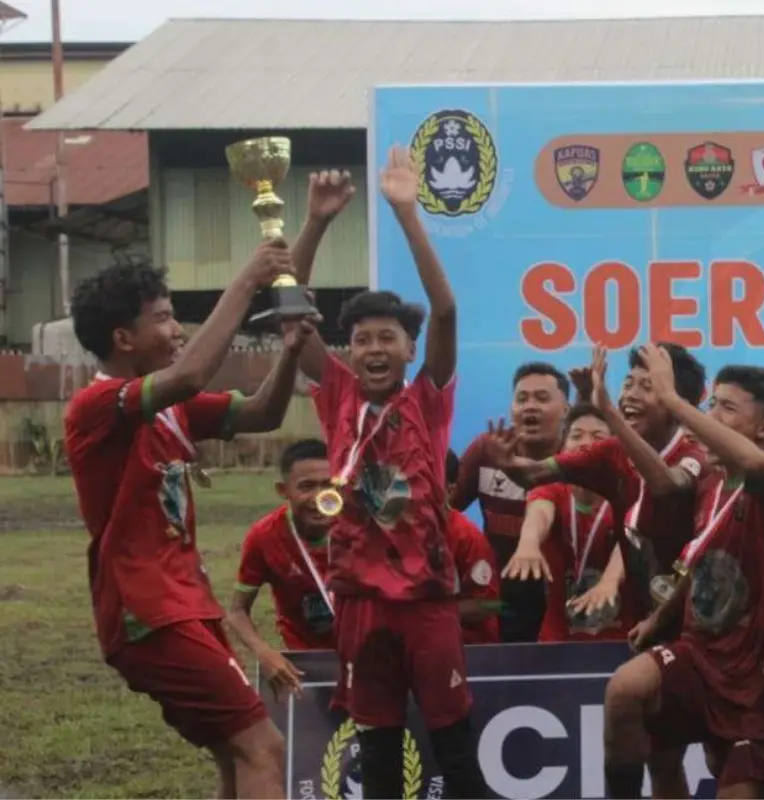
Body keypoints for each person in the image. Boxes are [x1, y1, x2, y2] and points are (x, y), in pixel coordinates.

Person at [64, 242, 311, 800]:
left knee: (237, 755)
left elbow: (263, 413)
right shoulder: (98, 405)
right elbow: (191, 374)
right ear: (123, 339)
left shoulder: (170, 406)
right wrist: (247, 280)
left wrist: (291, 350)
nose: (178, 330)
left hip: (186, 606)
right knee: (264, 748)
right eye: (164, 317)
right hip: (148, 612)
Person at [293, 146, 487, 799]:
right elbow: (291, 314)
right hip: (360, 603)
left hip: (426, 604)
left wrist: (407, 212)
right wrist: (317, 221)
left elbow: (447, 310)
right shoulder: (338, 395)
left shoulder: (427, 399)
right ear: (350, 352)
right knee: (377, 755)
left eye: (388, 339)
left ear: (409, 349)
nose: (374, 349)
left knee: (455, 748)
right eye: (363, 340)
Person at [604, 351, 764, 800]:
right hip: (698, 653)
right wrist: (661, 618)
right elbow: (700, 559)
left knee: (736, 783)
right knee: (625, 691)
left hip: (755, 673)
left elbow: (758, 466)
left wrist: (672, 400)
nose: (711, 417)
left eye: (727, 408)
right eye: (711, 404)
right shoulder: (711, 483)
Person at [484, 343, 708, 617]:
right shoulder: (610, 452)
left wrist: (610, 414)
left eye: (647, 387)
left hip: (691, 612)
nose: (630, 395)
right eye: (628, 383)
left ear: (677, 405)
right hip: (638, 616)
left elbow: (666, 485)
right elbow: (534, 474)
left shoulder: (694, 456)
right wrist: (509, 463)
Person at [453, 362, 571, 641]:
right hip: (500, 602)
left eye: (542, 398)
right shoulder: (486, 450)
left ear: (566, 409)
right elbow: (445, 511)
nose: (530, 407)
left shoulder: (578, 457)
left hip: (566, 602)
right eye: (522, 399)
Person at [504, 404, 632, 642]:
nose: (586, 444)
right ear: (562, 448)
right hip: (557, 641)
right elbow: (539, 513)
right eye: (576, 436)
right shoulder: (551, 490)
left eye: (598, 437)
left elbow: (629, 537)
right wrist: (528, 543)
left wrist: (610, 581)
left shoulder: (627, 492)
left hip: (619, 641)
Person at [228, 440, 337, 704]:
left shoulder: (362, 530)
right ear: (283, 490)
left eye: (328, 485)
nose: (319, 497)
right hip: (305, 666)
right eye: (307, 487)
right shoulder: (264, 537)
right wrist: (264, 653)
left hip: (366, 661)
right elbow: (237, 611)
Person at [445, 450, 503, 645]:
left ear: (450, 490)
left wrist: (431, 614)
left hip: (470, 650)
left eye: (430, 481)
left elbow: (488, 604)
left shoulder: (468, 537)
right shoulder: (399, 535)